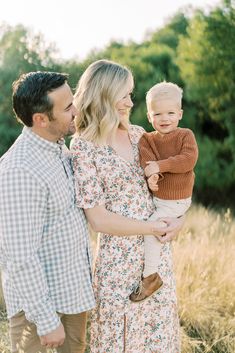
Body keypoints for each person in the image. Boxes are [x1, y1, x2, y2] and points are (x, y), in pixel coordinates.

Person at [71, 59, 184, 353]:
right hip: (117, 267)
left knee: (157, 340)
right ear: (104, 94)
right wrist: (150, 227)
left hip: (155, 261)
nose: (130, 102)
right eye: (124, 95)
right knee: (120, 342)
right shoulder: (83, 146)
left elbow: (172, 185)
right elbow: (98, 219)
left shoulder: (139, 135)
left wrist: (177, 221)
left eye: (131, 94)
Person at [0, 71, 95, 353]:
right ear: (40, 119)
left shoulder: (59, 151)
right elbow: (19, 255)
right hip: (40, 314)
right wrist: (45, 319)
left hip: (73, 297)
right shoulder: (20, 170)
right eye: (67, 108)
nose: (76, 111)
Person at [129, 81, 199, 303]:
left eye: (170, 112)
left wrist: (161, 166)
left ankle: (150, 276)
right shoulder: (147, 139)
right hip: (162, 198)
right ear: (149, 116)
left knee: (154, 229)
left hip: (176, 200)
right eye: (158, 113)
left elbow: (187, 160)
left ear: (180, 114)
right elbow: (146, 161)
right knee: (160, 229)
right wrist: (152, 176)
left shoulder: (185, 135)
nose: (164, 118)